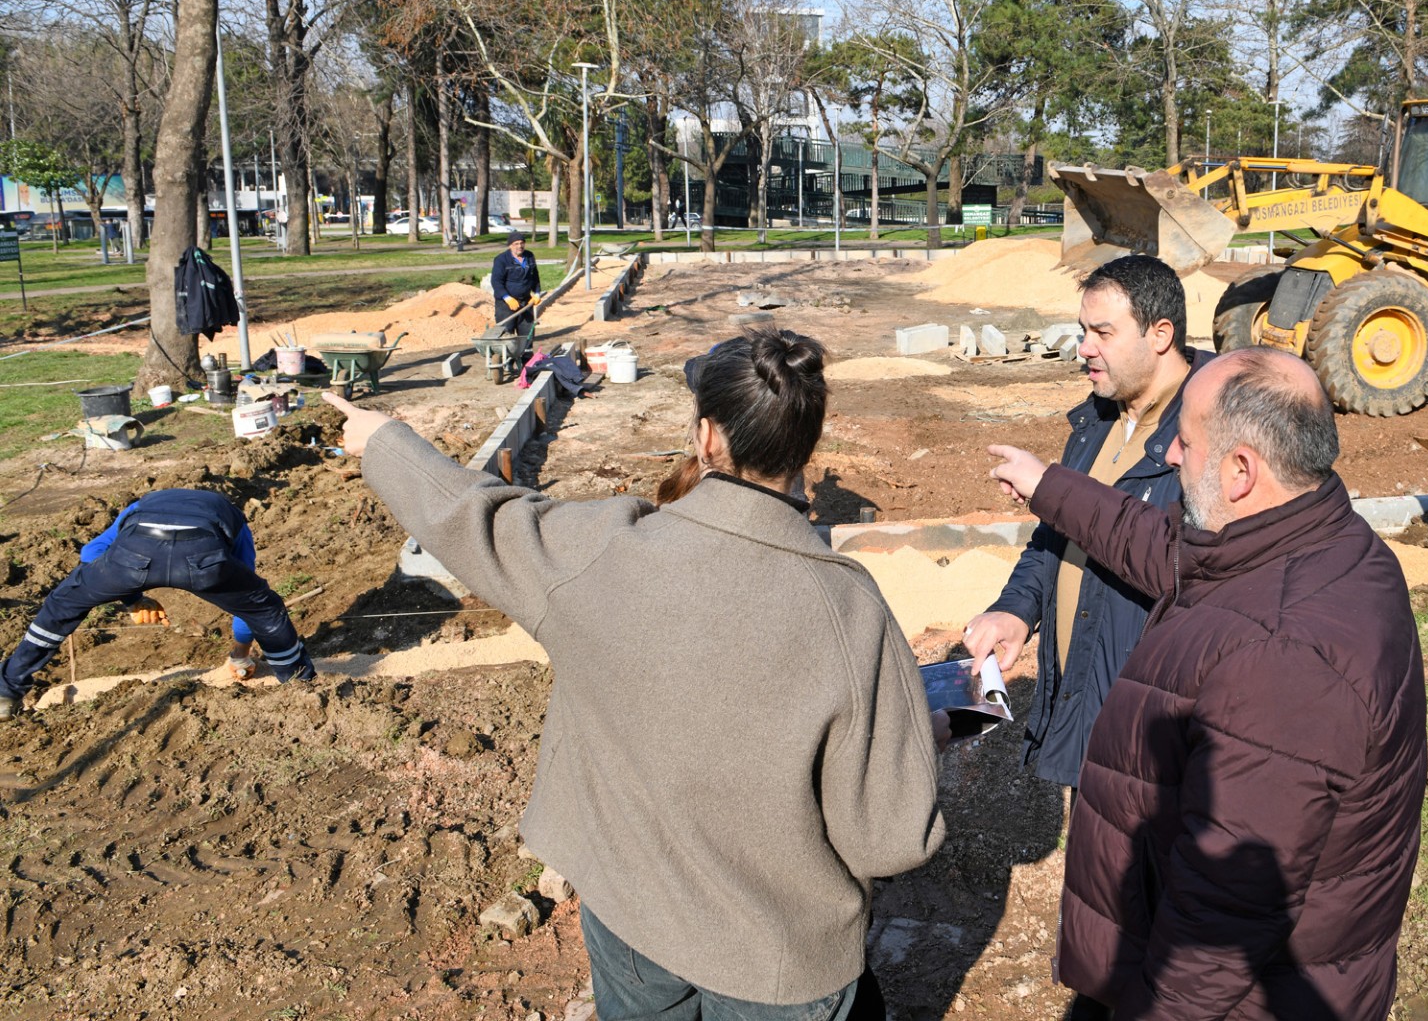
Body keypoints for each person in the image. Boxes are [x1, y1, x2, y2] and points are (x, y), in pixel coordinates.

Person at [325, 327, 944, 1021]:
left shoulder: (604, 550)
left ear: (706, 436)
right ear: (806, 446)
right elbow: (890, 837)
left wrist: (383, 439)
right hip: (776, 960)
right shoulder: (850, 608)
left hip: (630, 916)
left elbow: (477, 517)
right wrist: (917, 739)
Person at [985, 349, 1427, 1020]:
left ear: (1241, 470)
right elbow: (1152, 539)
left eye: (1185, 442)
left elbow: (1219, 920)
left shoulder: (1283, 658)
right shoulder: (1307, 539)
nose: (1167, 455)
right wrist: (1048, 483)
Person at [963, 254, 1208, 790]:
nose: (1084, 348)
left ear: (1160, 334)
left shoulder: (1210, 433)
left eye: (1102, 332)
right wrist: (1017, 611)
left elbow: (1181, 565)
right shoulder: (1097, 418)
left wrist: (1049, 487)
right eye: (1082, 330)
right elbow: (1057, 535)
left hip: (1154, 734)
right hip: (1088, 704)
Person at [0, 489, 317, 717]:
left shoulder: (138, 507)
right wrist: (240, 655)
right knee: (264, 607)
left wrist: (132, 598)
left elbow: (90, 555)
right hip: (202, 559)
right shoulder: (233, 518)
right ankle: (299, 682)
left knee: (59, 608)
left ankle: (7, 690)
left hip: (131, 557)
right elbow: (248, 607)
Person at [490, 230, 541, 324]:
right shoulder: (501, 260)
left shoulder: (529, 256)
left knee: (526, 334)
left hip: (526, 301)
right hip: (506, 303)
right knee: (506, 332)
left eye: (522, 243)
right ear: (510, 246)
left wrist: (537, 293)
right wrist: (507, 297)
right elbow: (496, 282)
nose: (520, 246)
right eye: (516, 244)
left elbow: (535, 276)